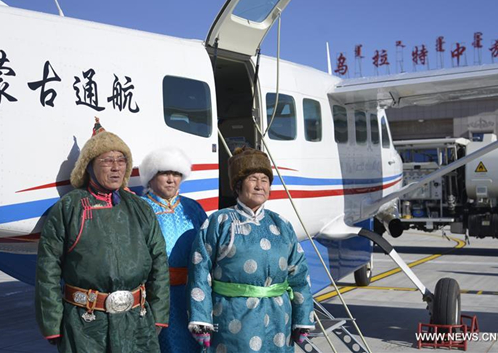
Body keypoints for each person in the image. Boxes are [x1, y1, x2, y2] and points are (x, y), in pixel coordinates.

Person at [35, 118, 170, 353]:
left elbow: (159, 261)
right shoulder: (69, 208)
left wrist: (158, 314)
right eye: (107, 161)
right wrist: (52, 322)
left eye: (121, 160)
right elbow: (48, 268)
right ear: (89, 166)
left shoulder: (140, 208)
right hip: (85, 325)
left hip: (136, 322)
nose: (116, 167)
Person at [187, 147, 315, 352]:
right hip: (233, 319)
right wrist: (201, 320)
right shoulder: (220, 222)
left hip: (278, 319)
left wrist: (302, 317)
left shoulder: (282, 224)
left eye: (264, 180)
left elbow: (299, 274)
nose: (259, 185)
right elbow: (199, 271)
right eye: (252, 179)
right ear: (238, 185)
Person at [139, 147, 208, 353]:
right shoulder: (139, 208)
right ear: (151, 177)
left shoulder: (192, 208)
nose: (171, 179)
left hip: (191, 293)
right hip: (155, 294)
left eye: (176, 174)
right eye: (165, 173)